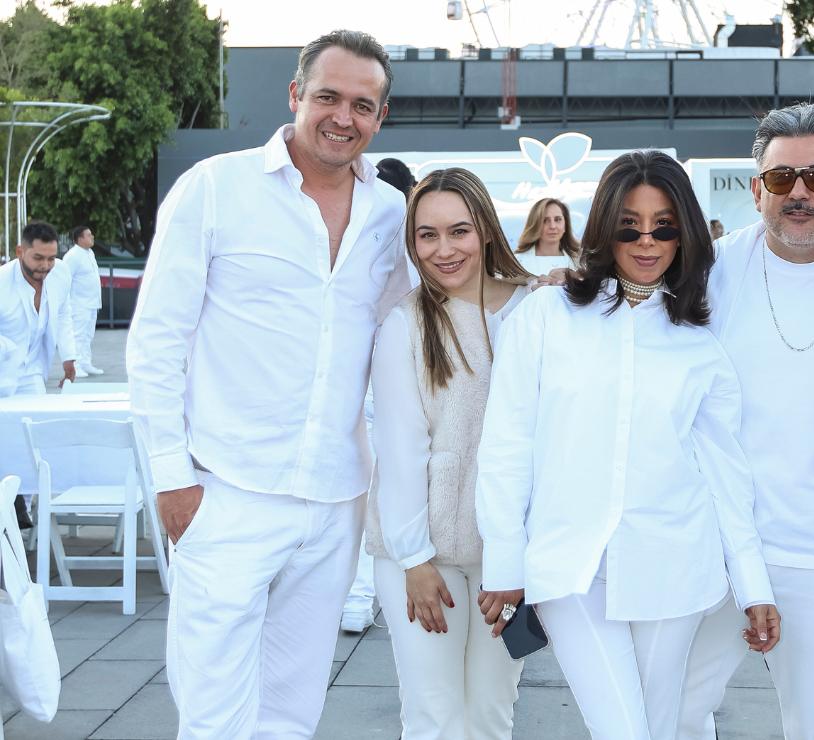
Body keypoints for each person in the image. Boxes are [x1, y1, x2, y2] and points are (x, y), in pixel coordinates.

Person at [127, 30, 406, 739]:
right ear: (295, 96)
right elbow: (157, 339)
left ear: (380, 117)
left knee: (291, 710)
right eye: (329, 97)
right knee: (213, 711)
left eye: (363, 105)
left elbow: (421, 326)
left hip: (337, 496)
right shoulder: (216, 187)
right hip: (226, 490)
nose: (344, 117)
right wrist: (171, 480)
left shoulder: (390, 216)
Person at [476, 150, 780, 740]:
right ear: (604, 230)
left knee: (661, 728)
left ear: (684, 233)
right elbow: (507, 442)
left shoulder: (700, 343)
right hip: (569, 566)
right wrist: (503, 561)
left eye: (663, 227)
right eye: (629, 227)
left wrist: (753, 586)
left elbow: (725, 473)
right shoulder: (544, 316)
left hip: (675, 564)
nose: (647, 242)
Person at [679, 102, 814, 740]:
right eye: (782, 179)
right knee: (669, 710)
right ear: (757, 189)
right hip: (717, 541)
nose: (799, 193)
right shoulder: (707, 272)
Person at [366, 167, 531, 739]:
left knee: (491, 712)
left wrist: (525, 558)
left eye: (458, 230)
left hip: (506, 558)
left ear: (485, 228)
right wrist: (412, 559)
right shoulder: (404, 324)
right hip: (422, 555)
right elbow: (400, 446)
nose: (444, 249)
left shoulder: (539, 310)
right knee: (435, 715)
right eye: (426, 234)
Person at [342, 155, 419, 634]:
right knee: (383, 485)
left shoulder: (405, 235)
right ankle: (360, 593)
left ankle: (360, 593)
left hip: (379, 376)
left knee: (373, 488)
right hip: (379, 377)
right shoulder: (399, 233)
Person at [0, 221, 77, 397]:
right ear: (20, 252)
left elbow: (63, 313)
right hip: (2, 372)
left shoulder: (61, 273)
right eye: (38, 258)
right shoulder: (2, 282)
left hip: (33, 372)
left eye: (51, 259)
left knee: (36, 421)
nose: (45, 265)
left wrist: (68, 356)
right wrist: (9, 351)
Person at [61, 225, 104, 377]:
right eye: (88, 235)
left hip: (92, 303)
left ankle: (85, 363)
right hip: (78, 304)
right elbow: (64, 280)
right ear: (79, 239)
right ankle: (75, 366)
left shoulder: (89, 253)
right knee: (78, 335)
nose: (92, 237)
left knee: (88, 335)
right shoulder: (72, 256)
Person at [513, 197, 581, 275]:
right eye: (545, 220)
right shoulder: (517, 262)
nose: (552, 226)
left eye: (558, 219)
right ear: (535, 225)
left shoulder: (579, 263)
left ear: (566, 224)